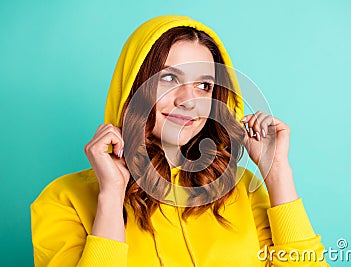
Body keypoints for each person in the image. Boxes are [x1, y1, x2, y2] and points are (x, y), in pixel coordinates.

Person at [31, 15, 329, 266]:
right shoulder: (63, 200)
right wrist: (110, 197)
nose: (189, 101)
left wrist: (276, 171)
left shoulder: (241, 190)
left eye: (204, 85)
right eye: (169, 78)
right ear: (134, 86)